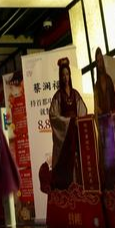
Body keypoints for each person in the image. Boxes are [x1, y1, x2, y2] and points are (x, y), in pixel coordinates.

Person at [49, 57, 88, 190]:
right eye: (63, 75)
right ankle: (68, 189)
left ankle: (79, 187)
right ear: (60, 77)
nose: (65, 77)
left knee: (78, 160)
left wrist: (78, 121)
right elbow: (53, 116)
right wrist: (69, 122)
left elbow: (83, 110)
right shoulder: (58, 96)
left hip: (75, 133)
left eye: (67, 74)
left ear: (70, 75)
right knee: (67, 162)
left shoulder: (75, 94)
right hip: (66, 136)